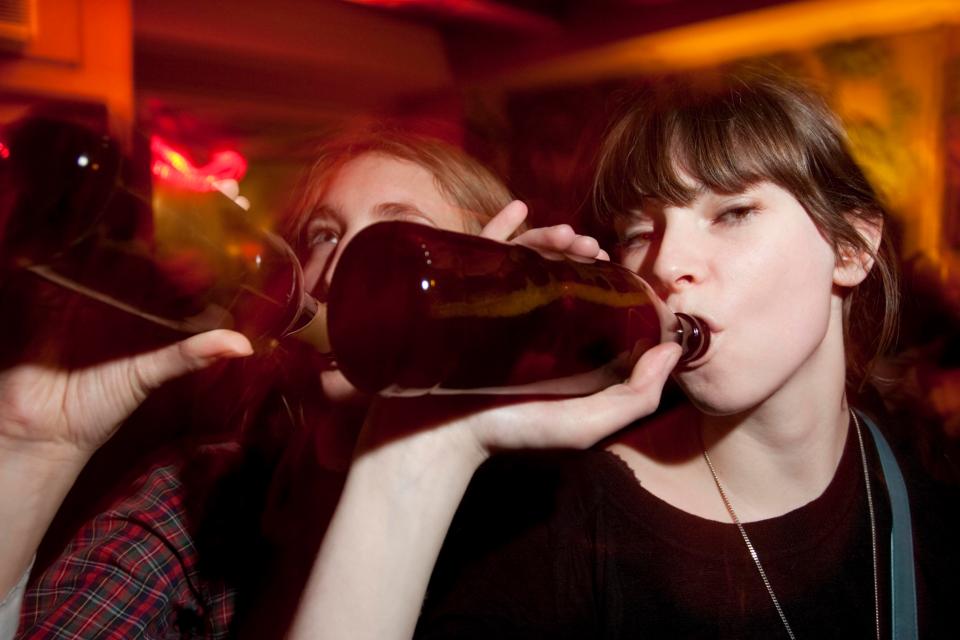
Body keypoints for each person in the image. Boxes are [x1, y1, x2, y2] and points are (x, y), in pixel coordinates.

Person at [289, 70, 957, 639]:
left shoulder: (925, 467)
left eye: (730, 213)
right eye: (641, 229)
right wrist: (422, 447)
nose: (667, 262)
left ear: (850, 249)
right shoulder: (561, 529)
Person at [1, 123, 604, 638]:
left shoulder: (556, 524)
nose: (341, 270)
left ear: (490, 277)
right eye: (323, 234)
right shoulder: (196, 495)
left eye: (396, 237)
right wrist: (32, 448)